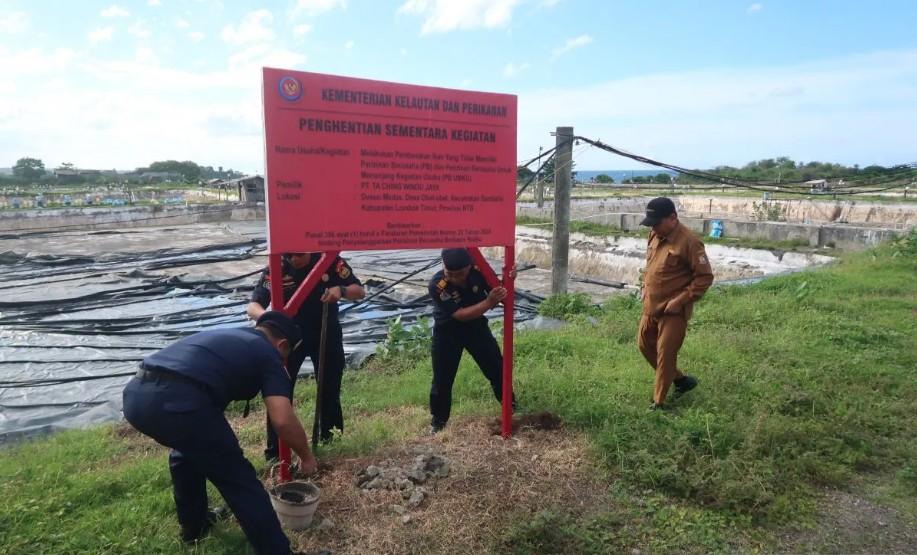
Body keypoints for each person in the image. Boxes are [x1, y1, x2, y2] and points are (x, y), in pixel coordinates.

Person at [122, 311, 318, 555]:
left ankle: (194, 526)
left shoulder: (233, 335)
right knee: (241, 481)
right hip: (179, 401)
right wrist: (307, 456)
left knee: (186, 453)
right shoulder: (268, 353)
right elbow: (282, 419)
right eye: (287, 355)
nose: (284, 361)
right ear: (283, 345)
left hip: (137, 396)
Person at [247, 252, 364, 451]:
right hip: (289, 339)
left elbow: (359, 291)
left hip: (326, 332)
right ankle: (276, 451)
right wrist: (268, 317)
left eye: (299, 255)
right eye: (289, 255)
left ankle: (330, 442)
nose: (294, 259)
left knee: (329, 388)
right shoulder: (278, 266)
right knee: (279, 392)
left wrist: (341, 290)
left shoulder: (329, 260)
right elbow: (253, 306)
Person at [638, 197, 714, 410]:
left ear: (672, 218)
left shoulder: (689, 242)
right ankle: (681, 380)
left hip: (673, 310)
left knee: (666, 353)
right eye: (650, 223)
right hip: (651, 305)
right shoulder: (654, 234)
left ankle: (659, 403)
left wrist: (680, 300)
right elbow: (651, 264)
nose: (653, 227)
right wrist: (645, 287)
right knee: (644, 345)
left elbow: (704, 278)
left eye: (656, 223)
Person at [427, 247, 514, 434]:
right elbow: (459, 315)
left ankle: (511, 407)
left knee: (497, 368)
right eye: (449, 273)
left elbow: (500, 289)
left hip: (476, 329)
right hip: (447, 332)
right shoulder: (437, 284)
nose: (454, 278)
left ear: (469, 267)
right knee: (442, 379)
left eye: (459, 274)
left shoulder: (478, 272)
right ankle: (438, 422)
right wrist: (489, 302)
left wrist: (510, 279)